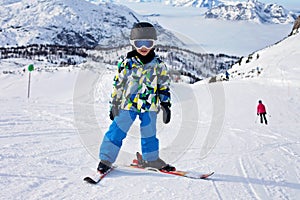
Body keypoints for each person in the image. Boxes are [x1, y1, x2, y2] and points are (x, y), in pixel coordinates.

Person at [97, 22, 175, 174]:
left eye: (148, 43)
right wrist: (114, 104)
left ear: (154, 44)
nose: (144, 47)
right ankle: (106, 159)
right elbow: (118, 85)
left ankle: (150, 159)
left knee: (149, 133)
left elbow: (163, 86)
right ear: (133, 44)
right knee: (117, 131)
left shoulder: (159, 65)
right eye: (139, 43)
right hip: (128, 105)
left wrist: (166, 104)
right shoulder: (127, 64)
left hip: (150, 105)